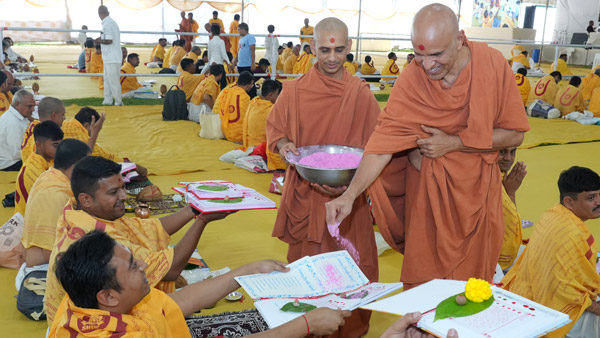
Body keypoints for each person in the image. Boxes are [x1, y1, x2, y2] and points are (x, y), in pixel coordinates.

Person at [325, 4, 529, 290]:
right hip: (429, 198)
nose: (427, 64)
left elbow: (515, 133)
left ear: (459, 39)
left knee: (470, 290)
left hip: (479, 194)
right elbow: (383, 142)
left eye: (436, 54)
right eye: (418, 54)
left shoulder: (492, 65)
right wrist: (350, 195)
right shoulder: (413, 77)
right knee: (423, 286)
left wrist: (454, 143)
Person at [267, 17, 381, 338]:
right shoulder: (294, 90)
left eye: (340, 50)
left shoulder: (359, 93)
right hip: (308, 195)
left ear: (349, 48)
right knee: (308, 275)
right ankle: (307, 328)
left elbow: (381, 142)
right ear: (313, 47)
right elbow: (275, 130)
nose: (332, 58)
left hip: (350, 198)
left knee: (354, 271)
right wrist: (284, 144)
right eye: (325, 49)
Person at [49, 230, 352, 338]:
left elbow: (172, 305)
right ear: (108, 297)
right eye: (133, 266)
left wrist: (245, 272)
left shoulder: (80, 301)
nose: (143, 266)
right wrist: (305, 325)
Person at [44, 156, 233, 324]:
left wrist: (196, 208)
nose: (124, 197)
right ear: (86, 199)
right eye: (113, 192)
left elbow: (151, 228)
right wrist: (202, 220)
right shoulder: (98, 236)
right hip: (93, 325)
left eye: (123, 188)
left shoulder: (76, 212)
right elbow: (171, 270)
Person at [503, 166, 600, 338]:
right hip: (550, 309)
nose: (598, 202)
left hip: (526, 291)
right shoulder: (572, 234)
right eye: (591, 198)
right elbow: (563, 290)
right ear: (569, 201)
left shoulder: (551, 213)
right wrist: (595, 307)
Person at [16, 139, 90, 320]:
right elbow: (57, 254)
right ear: (76, 167)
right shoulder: (57, 194)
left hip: (39, 263)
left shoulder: (51, 177)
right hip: (44, 270)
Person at [14, 120, 63, 216]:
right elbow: (54, 201)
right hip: (30, 221)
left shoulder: (49, 159)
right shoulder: (33, 170)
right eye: (55, 145)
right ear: (39, 145)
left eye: (61, 144)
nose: (60, 149)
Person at [242, 79, 286, 171]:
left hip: (248, 145)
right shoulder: (273, 108)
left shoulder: (253, 101)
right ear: (271, 95)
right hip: (261, 149)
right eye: (278, 94)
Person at [497, 147, 526, 271]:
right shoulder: (487, 179)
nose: (508, 158)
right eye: (502, 152)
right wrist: (511, 193)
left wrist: (510, 193)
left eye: (512, 152)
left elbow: (510, 220)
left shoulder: (501, 177)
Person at [21, 96, 66, 165]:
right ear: (53, 115)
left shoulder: (34, 127)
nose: (64, 118)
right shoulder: (43, 134)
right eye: (62, 115)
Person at [214, 71, 253, 143]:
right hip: (239, 136)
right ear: (248, 86)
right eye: (251, 84)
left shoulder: (226, 90)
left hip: (223, 130)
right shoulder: (245, 96)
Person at [0, 89, 34, 171]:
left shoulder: (19, 115)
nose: (32, 109)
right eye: (29, 106)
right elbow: (16, 154)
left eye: (33, 106)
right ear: (17, 105)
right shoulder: (12, 123)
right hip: (9, 164)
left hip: (15, 159)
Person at [96, 6, 122, 106]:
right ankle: (108, 100)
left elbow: (109, 40)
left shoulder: (107, 24)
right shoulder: (111, 23)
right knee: (107, 80)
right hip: (110, 57)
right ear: (108, 12)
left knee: (113, 81)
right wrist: (99, 39)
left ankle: (118, 101)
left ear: (99, 14)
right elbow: (107, 37)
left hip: (112, 57)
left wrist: (98, 41)